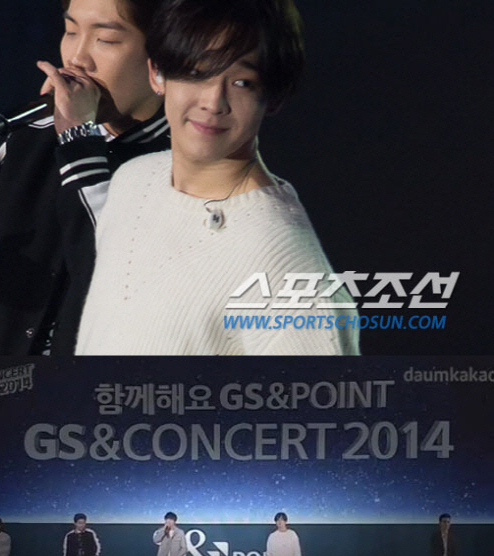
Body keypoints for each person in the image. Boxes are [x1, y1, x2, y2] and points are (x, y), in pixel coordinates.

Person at [75, 0, 360, 355]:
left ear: (273, 97)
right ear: (157, 73)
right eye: (196, 72)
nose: (213, 102)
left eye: (241, 82)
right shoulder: (133, 181)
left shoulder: (285, 265)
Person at [0, 0, 169, 355]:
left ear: (163, 56)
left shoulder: (185, 166)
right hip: (7, 386)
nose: (77, 59)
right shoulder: (33, 140)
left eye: (105, 40)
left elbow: (122, 278)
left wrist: (76, 139)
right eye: (70, 32)